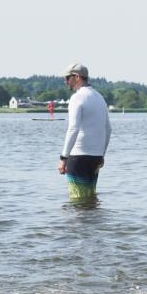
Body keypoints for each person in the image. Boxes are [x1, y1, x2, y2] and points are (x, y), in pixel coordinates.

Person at [58, 63, 111, 203]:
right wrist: (102, 155)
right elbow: (108, 129)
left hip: (78, 157)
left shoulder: (77, 97)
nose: (65, 82)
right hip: (96, 157)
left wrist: (63, 158)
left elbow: (73, 128)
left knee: (77, 202)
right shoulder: (99, 97)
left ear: (77, 77)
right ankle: (93, 225)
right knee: (90, 199)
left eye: (67, 78)